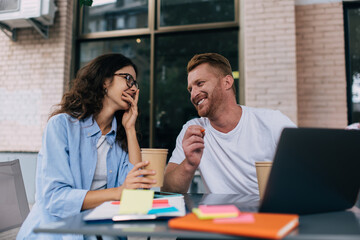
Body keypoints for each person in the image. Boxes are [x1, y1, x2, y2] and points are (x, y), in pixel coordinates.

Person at [17, 53, 156, 240]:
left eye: (135, 84)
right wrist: (117, 193)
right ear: (105, 81)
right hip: (55, 232)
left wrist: (130, 129)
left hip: (99, 230)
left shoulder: (121, 137)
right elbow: (55, 199)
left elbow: (137, 199)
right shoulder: (62, 126)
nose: (133, 89)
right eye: (128, 79)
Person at [161, 53, 296, 195]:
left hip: (268, 214)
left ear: (227, 82)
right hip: (221, 216)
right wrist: (189, 164)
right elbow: (167, 190)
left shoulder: (272, 122)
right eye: (190, 89)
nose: (193, 94)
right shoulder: (193, 131)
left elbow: (309, 168)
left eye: (200, 84)